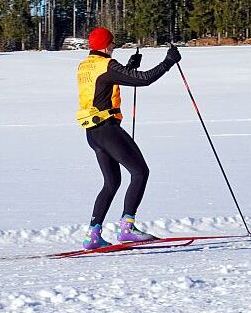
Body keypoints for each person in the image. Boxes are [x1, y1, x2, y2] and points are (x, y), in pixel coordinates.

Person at [76, 27, 181, 249]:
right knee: (140, 172)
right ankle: (127, 228)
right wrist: (168, 62)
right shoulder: (107, 65)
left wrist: (128, 69)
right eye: (112, 44)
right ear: (106, 45)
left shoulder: (85, 65)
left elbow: (102, 86)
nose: (113, 47)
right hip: (108, 130)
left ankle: (93, 234)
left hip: (92, 133)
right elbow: (144, 80)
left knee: (112, 182)